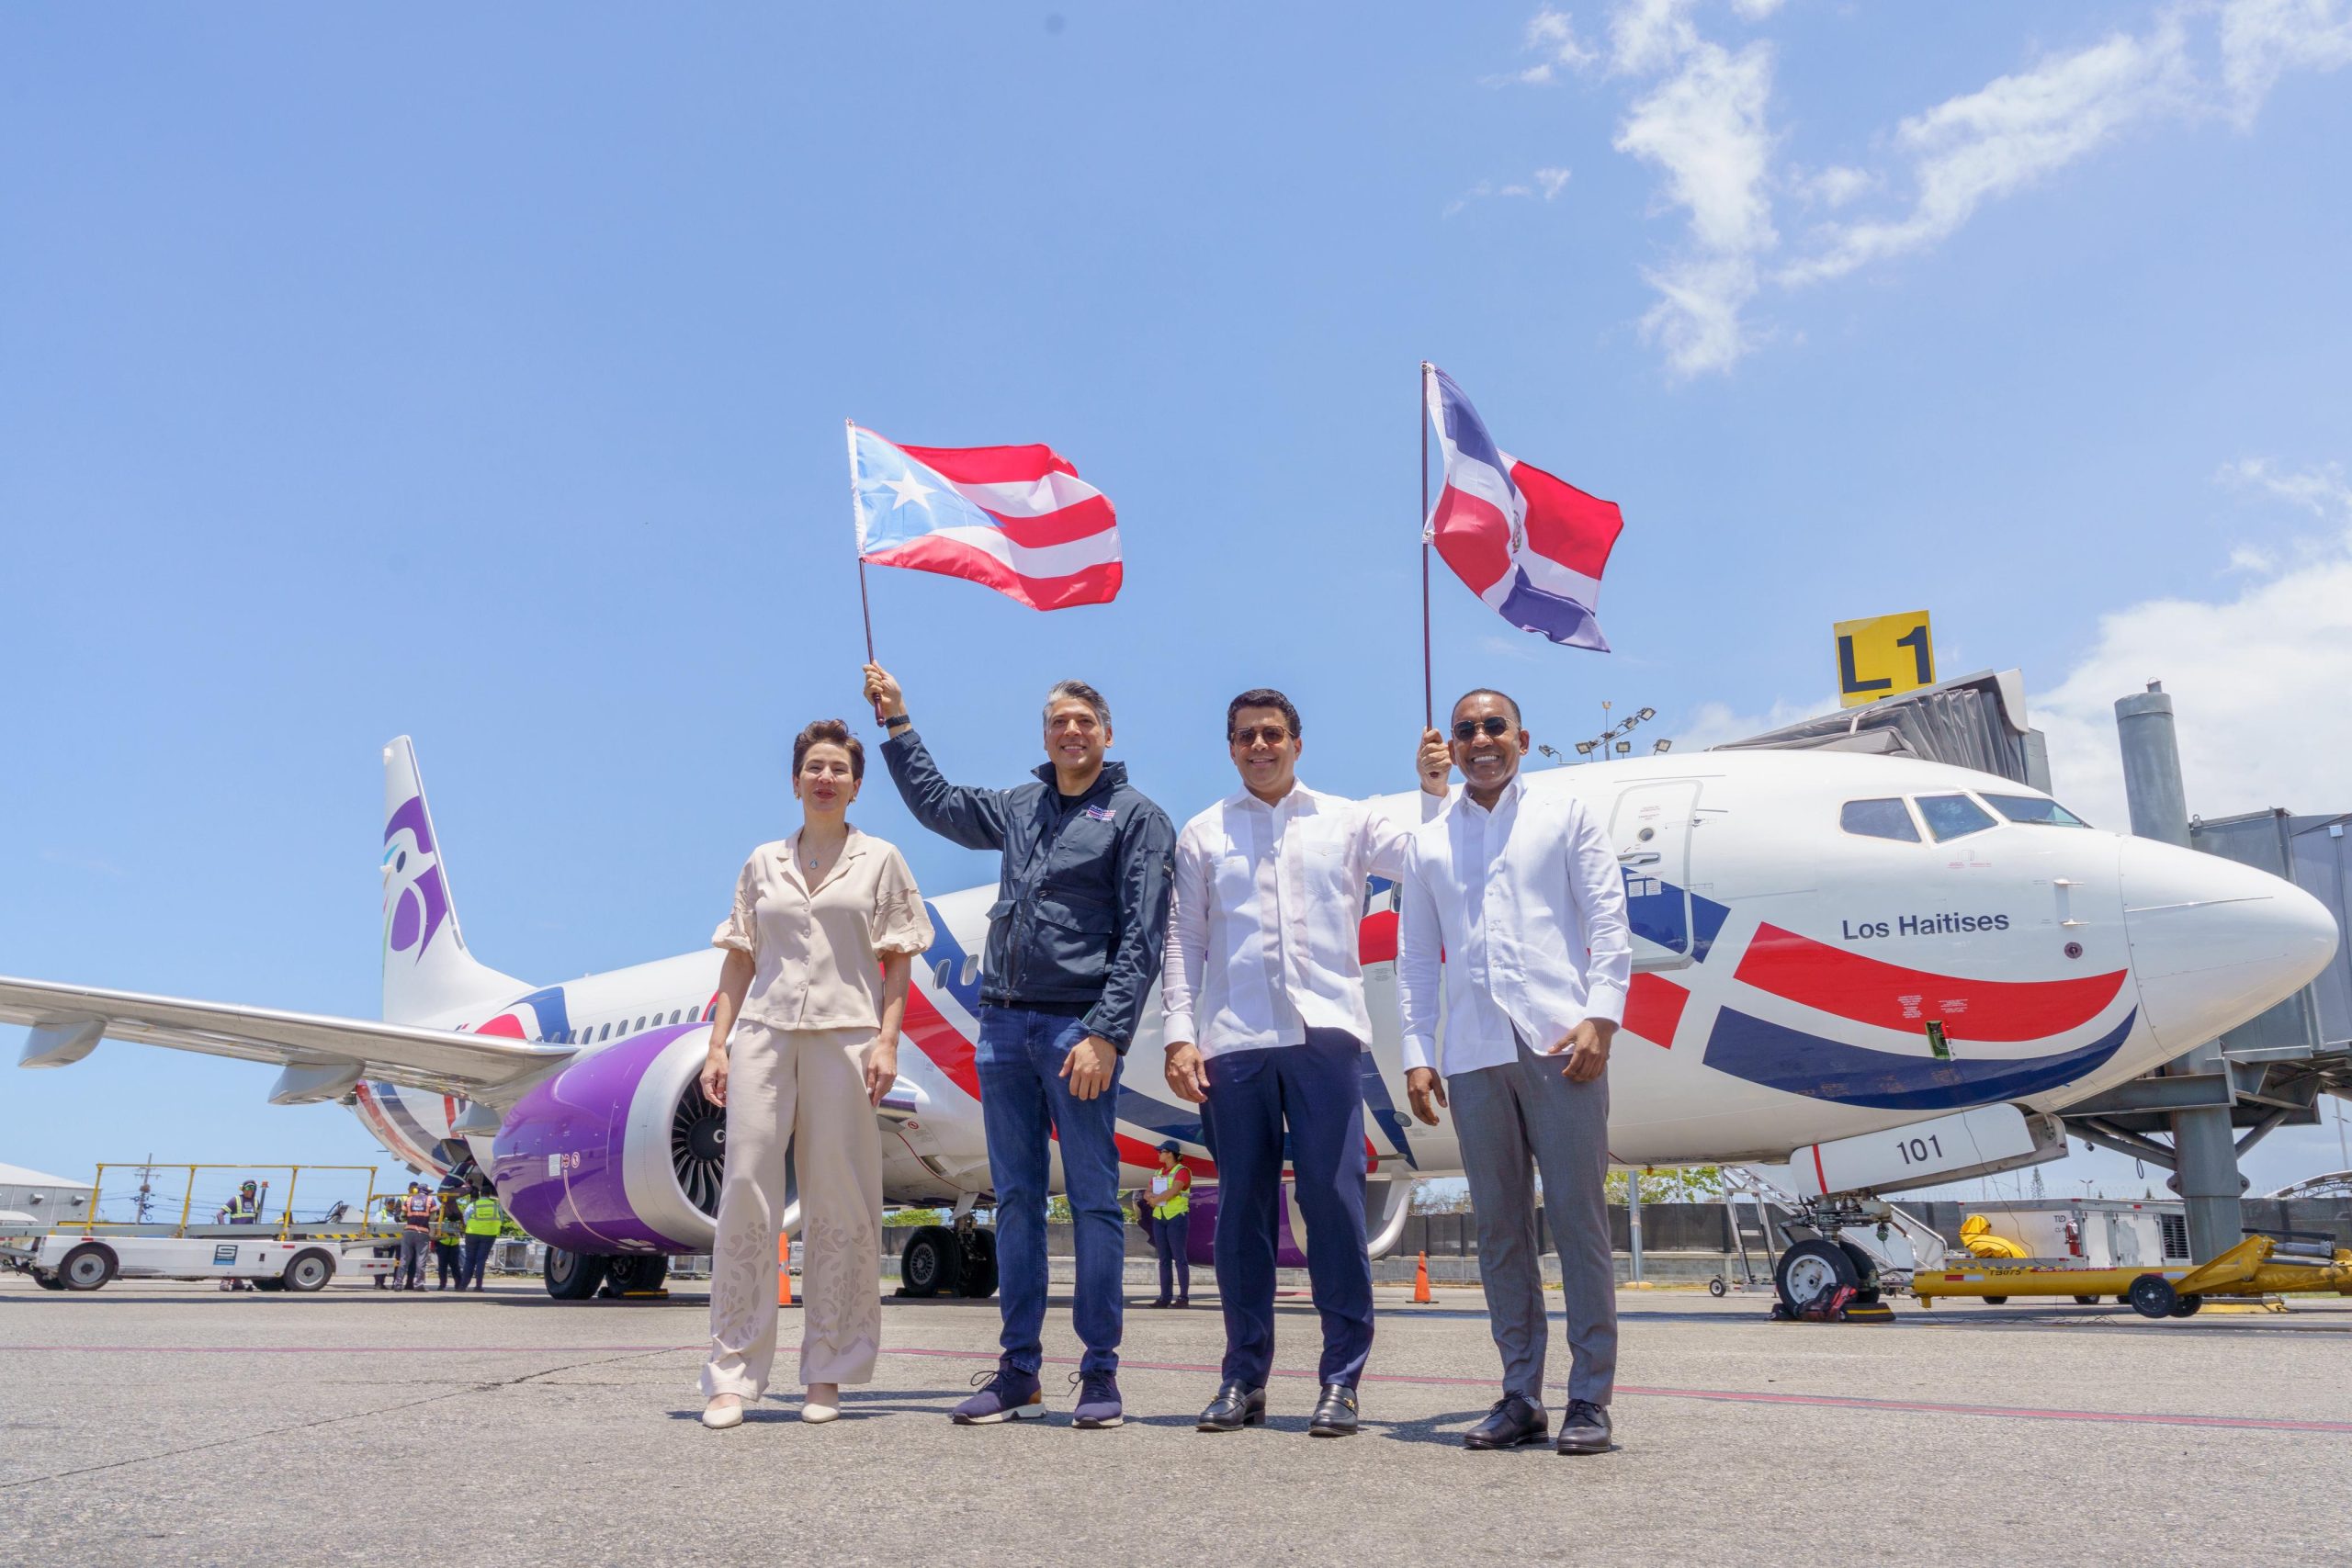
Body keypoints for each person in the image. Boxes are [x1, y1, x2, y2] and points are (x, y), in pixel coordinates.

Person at [862, 663, 1174, 1430]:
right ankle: (1018, 1372)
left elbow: (1142, 939)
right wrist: (899, 724)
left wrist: (1106, 1033)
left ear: (1106, 733)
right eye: (1058, 721)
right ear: (1046, 735)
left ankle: (1099, 1375)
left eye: (1084, 721)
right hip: (1002, 1026)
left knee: (1097, 1203)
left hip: (1078, 1028)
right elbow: (939, 805)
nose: (1071, 731)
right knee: (1017, 1205)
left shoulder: (1136, 816)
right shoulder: (1021, 806)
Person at [1162, 689, 1450, 1437]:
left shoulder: (1348, 821)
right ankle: (1242, 1376)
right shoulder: (1201, 833)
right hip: (1234, 1042)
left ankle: (1341, 1380)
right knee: (1242, 1215)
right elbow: (1183, 942)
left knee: (1333, 1204)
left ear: (1298, 741)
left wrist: (1433, 788)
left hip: (1325, 1037)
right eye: (1247, 736)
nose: (1261, 746)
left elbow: (1430, 853)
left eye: (1274, 734)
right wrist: (1177, 1033)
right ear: (1230, 747)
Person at [1396, 688, 1632, 1457]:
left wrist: (1602, 1013)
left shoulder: (1565, 816)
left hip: (1559, 1045)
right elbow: (1413, 963)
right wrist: (1417, 1051)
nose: (1481, 739)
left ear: (1522, 738)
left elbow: (1607, 920)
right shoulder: (1427, 842)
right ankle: (1520, 1394)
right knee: (1499, 1234)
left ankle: (1589, 1398)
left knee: (1577, 1222)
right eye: (1466, 730)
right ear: (1452, 747)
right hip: (1471, 1054)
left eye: (1494, 726)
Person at [698, 718, 934, 1431]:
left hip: (846, 1036)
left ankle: (829, 1366)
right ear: (796, 780)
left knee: (840, 1199)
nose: (825, 777)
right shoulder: (762, 861)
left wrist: (888, 1042)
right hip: (765, 1034)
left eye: (838, 768)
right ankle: (732, 1373)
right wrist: (718, 1044)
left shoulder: (882, 859)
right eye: (813, 767)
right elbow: (740, 954)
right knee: (744, 1189)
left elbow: (898, 958)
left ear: (856, 785)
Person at [1143, 1141, 1192, 1310]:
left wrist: (1155, 1200)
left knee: (1180, 1259)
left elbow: (1175, 1190)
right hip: (1160, 1218)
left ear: (1170, 1153)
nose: (1158, 1154)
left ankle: (1183, 1298)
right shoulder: (1158, 1172)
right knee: (1163, 1259)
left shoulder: (1182, 1171)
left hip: (1176, 1217)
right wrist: (1149, 1196)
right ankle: (1164, 1297)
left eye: (1160, 1151)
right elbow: (1147, 1191)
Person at [460, 1184, 503, 1290]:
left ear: (481, 1194)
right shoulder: (496, 1206)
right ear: (489, 1195)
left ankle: (463, 1285)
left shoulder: (473, 1205)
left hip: (472, 1233)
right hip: (489, 1235)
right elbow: (501, 1220)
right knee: (481, 1260)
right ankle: (478, 1286)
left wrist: (470, 1225)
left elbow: (465, 1217)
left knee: (469, 1259)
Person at [398, 1182, 436, 1292]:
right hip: (422, 1232)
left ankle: (398, 1283)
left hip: (408, 1231)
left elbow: (402, 1217)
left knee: (404, 1259)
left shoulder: (409, 1199)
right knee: (421, 1260)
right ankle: (419, 1284)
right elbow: (433, 1218)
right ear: (426, 1191)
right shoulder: (430, 1200)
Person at [433, 1197, 466, 1290]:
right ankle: (442, 1284)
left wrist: (460, 1217)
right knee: (442, 1265)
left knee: (455, 1265)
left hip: (454, 1244)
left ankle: (458, 1284)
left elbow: (463, 1225)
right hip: (442, 1243)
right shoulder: (441, 1212)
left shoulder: (458, 1213)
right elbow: (435, 1225)